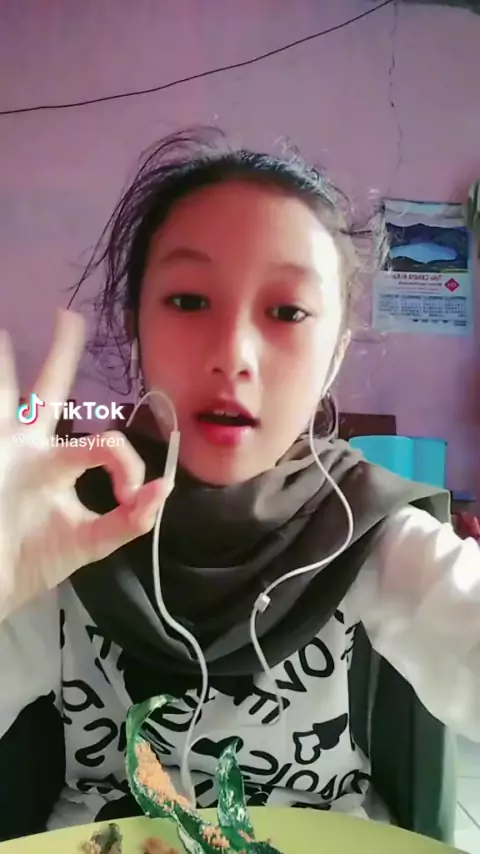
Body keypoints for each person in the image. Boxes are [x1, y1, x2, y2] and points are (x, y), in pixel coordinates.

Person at [0, 128, 479, 842]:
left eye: (287, 312)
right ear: (135, 327)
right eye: (190, 301)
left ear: (335, 354)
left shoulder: (367, 527)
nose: (234, 355)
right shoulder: (68, 524)